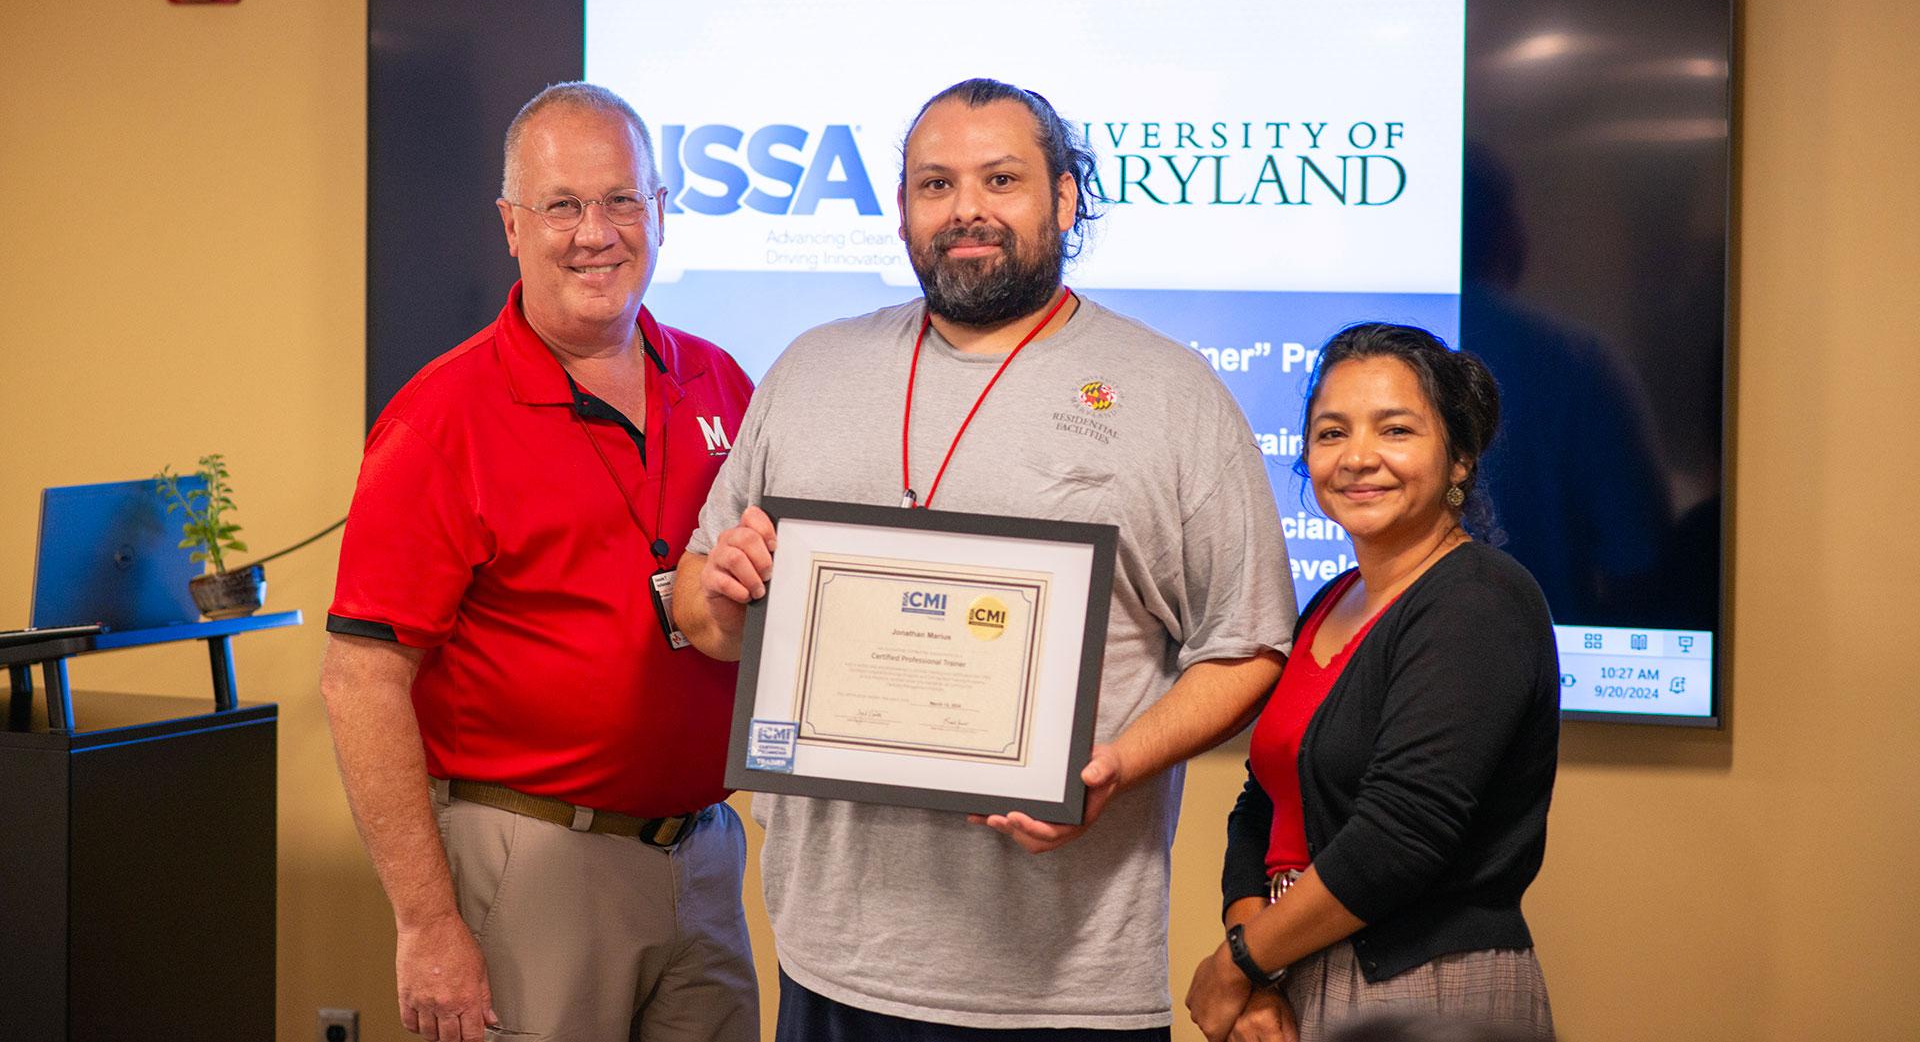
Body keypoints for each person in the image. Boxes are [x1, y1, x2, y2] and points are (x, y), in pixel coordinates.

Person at [674, 77, 1298, 1039]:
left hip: (1065, 982)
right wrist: (720, 591)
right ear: (901, 212)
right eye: (935, 184)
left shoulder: (1173, 395)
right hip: (830, 961)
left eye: (1000, 178)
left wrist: (1116, 767)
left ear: (1065, 198)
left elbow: (1249, 644)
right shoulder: (810, 370)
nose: (966, 208)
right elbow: (705, 615)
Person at [321, 83, 758, 1042]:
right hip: (532, 863)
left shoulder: (723, 381)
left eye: (621, 201)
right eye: (562, 205)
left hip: (705, 859)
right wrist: (428, 923)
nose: (595, 232)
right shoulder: (440, 418)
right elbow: (360, 679)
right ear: (510, 226)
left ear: (661, 212)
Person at [1184, 323, 1559, 1042]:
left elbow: (1401, 837)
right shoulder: (1330, 599)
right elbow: (1260, 803)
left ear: (1460, 457)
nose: (1358, 458)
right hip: (1296, 964)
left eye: (1395, 429)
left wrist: (1237, 964)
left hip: (1432, 987)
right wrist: (1255, 960)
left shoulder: (1477, 600)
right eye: (1331, 433)